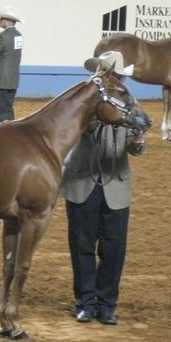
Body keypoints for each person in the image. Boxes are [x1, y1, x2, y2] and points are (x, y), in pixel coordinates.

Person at [61, 51, 146, 325]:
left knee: (114, 249)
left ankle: (107, 304)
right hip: (82, 181)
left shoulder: (131, 104)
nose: (121, 80)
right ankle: (85, 302)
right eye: (117, 74)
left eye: (122, 76)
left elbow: (137, 148)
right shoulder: (81, 100)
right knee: (82, 245)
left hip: (116, 183)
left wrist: (137, 140)